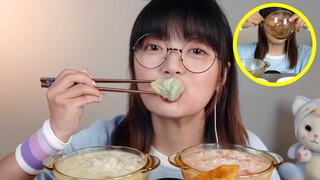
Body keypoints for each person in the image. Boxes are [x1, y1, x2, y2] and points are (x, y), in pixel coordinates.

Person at [0, 0, 280, 179]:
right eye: (154, 47)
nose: (172, 66)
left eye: (196, 50)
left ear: (222, 76)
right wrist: (54, 134)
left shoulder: (249, 158)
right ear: (134, 64)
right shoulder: (98, 144)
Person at [238, 7, 312, 74]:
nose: (280, 25)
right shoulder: (242, 53)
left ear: (293, 22)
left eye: (286, 20)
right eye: (274, 19)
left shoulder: (307, 54)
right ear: (262, 24)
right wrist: (239, 25)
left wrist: (311, 27)